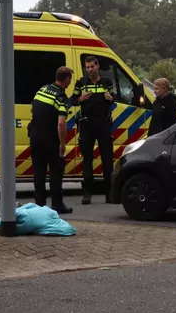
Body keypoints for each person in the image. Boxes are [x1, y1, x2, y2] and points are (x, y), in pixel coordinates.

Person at [28, 66, 74, 214]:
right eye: (69, 80)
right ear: (66, 79)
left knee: (39, 172)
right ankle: (57, 204)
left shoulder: (42, 89)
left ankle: (40, 205)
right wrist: (62, 143)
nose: (69, 83)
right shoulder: (61, 97)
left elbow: (32, 109)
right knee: (55, 172)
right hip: (50, 139)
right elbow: (61, 123)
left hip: (35, 136)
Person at [70, 56, 115, 205]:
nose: (90, 69)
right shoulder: (81, 83)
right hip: (87, 124)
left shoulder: (107, 82)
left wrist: (111, 98)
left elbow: (113, 98)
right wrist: (79, 100)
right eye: (87, 67)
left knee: (107, 160)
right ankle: (87, 194)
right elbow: (72, 100)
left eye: (92, 66)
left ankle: (109, 194)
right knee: (87, 159)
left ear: (97, 66)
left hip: (103, 123)